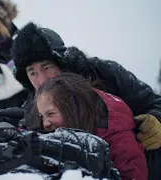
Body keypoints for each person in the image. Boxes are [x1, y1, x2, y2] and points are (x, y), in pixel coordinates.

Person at [11, 22, 161, 179]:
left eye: (46, 67)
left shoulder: (103, 73)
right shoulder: (32, 107)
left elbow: (153, 101)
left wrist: (157, 118)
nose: (41, 80)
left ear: (62, 62)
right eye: (32, 73)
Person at [35, 72, 147, 180]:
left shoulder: (120, 141)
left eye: (51, 114)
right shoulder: (68, 135)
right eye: (42, 116)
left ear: (74, 109)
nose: (45, 124)